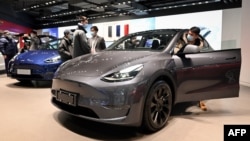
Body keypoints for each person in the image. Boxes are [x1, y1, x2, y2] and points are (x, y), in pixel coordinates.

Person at [174, 26, 207, 111]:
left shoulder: (200, 44)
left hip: (194, 64)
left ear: (196, 36)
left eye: (191, 34)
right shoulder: (181, 40)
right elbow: (175, 50)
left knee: (199, 82)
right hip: (181, 62)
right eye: (189, 33)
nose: (189, 35)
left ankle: (201, 101)